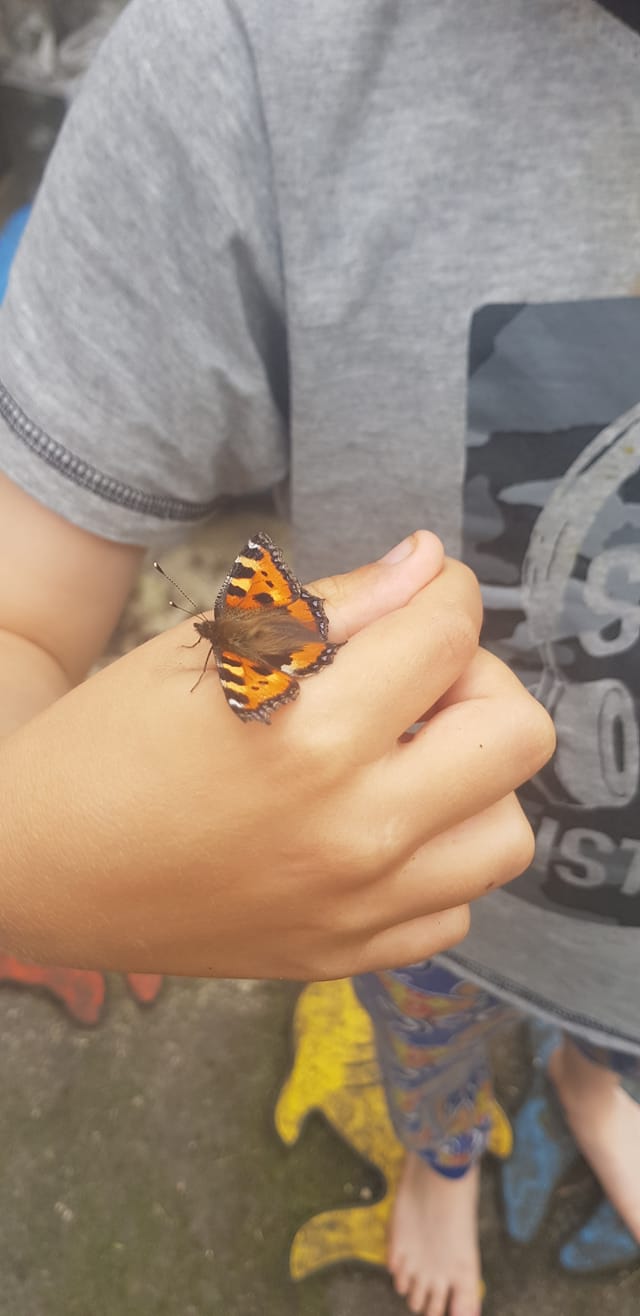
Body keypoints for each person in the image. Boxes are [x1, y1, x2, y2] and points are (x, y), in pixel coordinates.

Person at [0, 1, 637, 1314]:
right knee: (429, 1047)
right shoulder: (246, 61)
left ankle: (592, 1079)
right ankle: (441, 1161)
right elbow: (222, 573)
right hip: (421, 889)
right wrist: (39, 852)